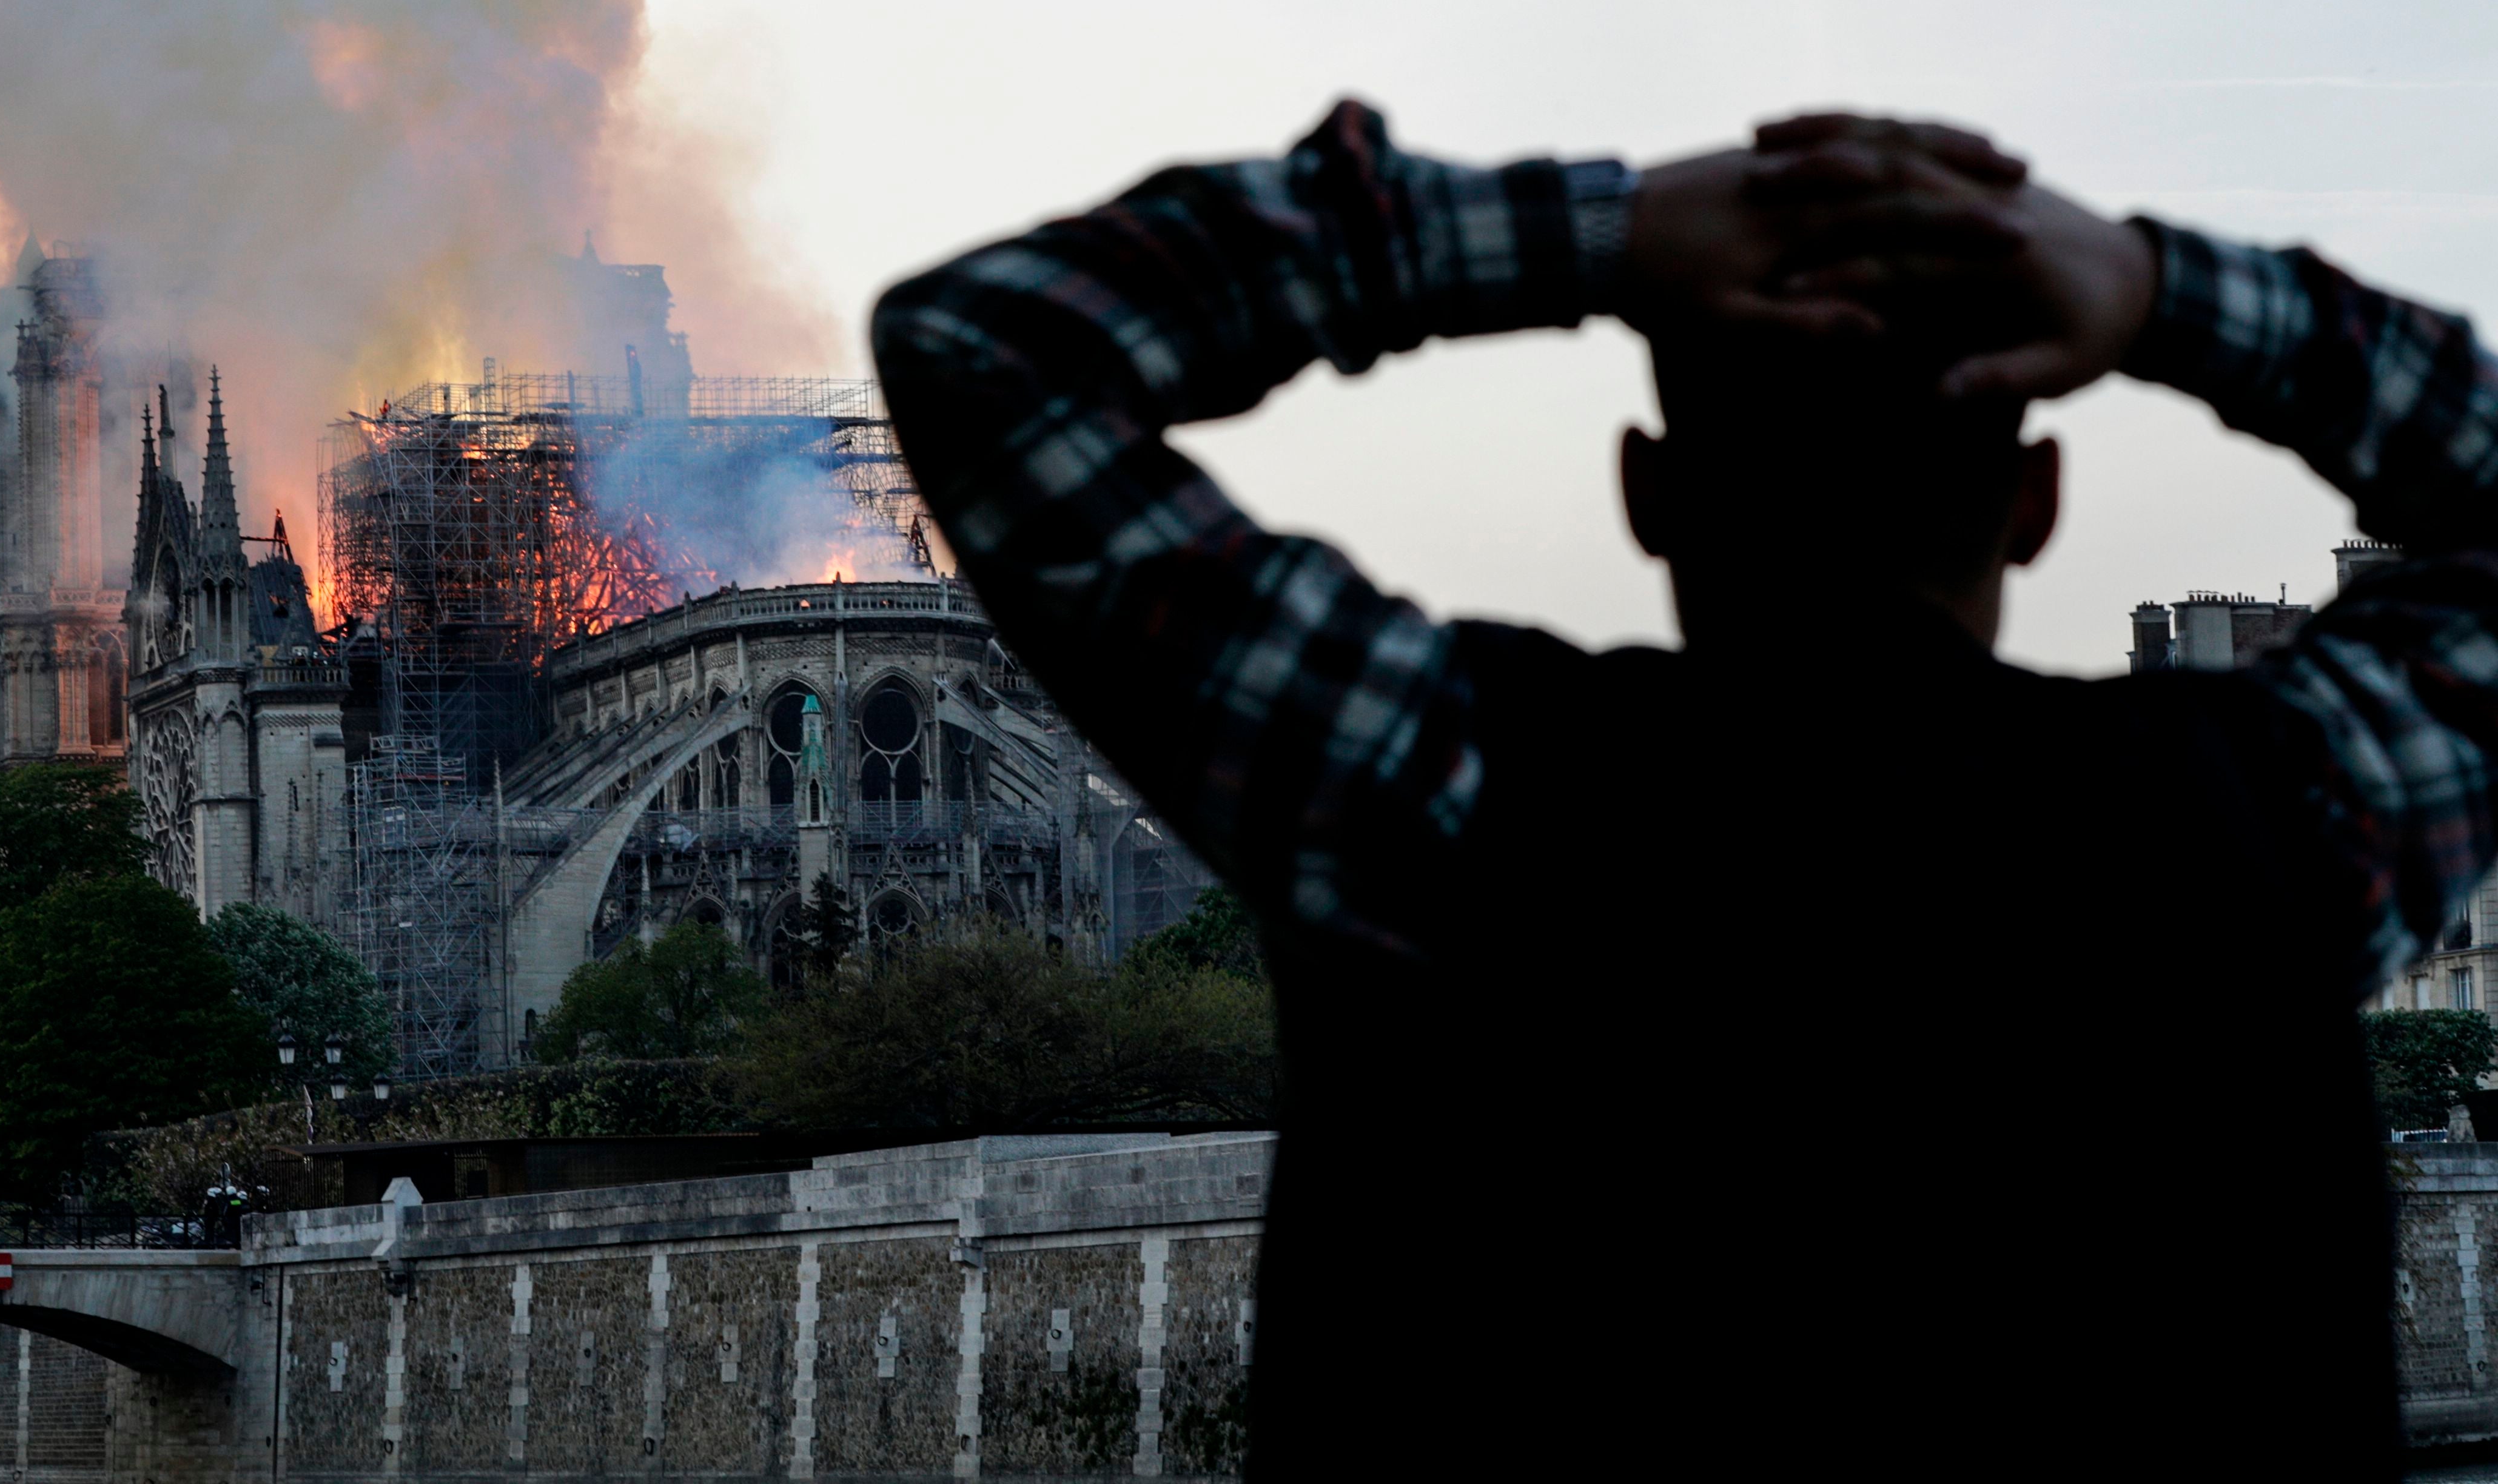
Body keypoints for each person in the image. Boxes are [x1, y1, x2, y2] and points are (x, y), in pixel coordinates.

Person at [871, 102, 2493, 1475]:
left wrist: (1599, 234)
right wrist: (2155, 290)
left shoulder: (1431, 782)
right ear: (2038, 503)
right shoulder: (2282, 824)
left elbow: (990, 344)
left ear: (1644, 492)